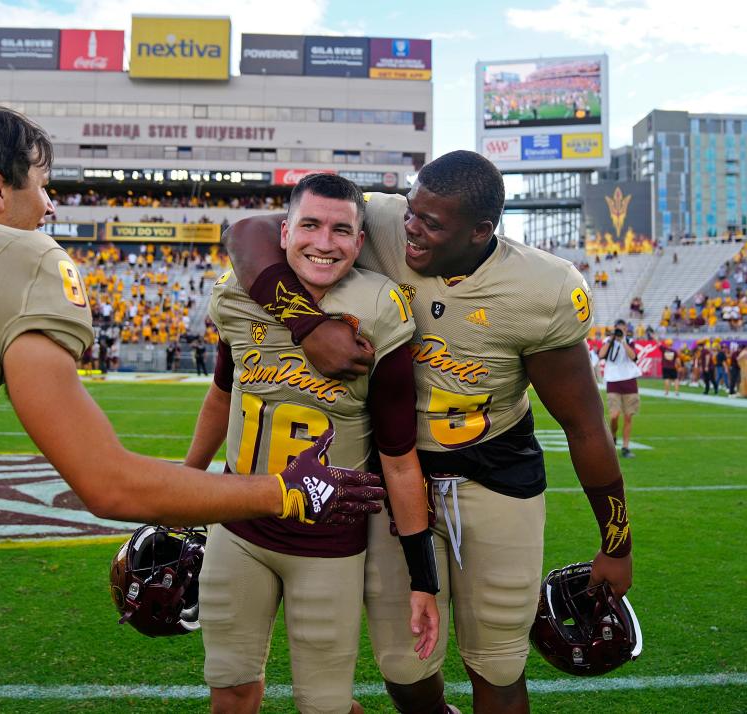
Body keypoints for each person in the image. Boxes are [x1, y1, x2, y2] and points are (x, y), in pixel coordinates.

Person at [0, 105, 384, 714]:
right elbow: (108, 484)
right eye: (43, 186)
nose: (49, 207)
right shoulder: (24, 260)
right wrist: (288, 492)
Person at [224, 150, 633, 714]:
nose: (411, 230)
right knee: (403, 664)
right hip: (397, 475)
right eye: (412, 212)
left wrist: (617, 545)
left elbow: (585, 427)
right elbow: (248, 231)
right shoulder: (388, 222)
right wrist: (305, 323)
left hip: (494, 478)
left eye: (432, 224)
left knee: (497, 660)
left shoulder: (540, 289)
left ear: (482, 231)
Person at [184, 173, 438, 714]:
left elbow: (398, 458)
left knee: (323, 704)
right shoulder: (240, 291)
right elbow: (222, 395)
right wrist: (183, 487)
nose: (324, 243)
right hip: (239, 527)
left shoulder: (379, 309)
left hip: (328, 543)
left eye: (341, 230)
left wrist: (423, 579)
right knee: (229, 685)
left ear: (361, 242)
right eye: (311, 225)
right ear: (283, 233)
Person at [599, 319, 642, 458]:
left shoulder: (629, 341)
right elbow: (601, 355)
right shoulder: (608, 341)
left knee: (628, 417)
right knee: (614, 415)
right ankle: (613, 435)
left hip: (629, 381)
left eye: (622, 329)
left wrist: (623, 340)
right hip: (613, 381)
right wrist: (612, 339)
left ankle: (625, 447)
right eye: (618, 329)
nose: (619, 331)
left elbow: (634, 356)